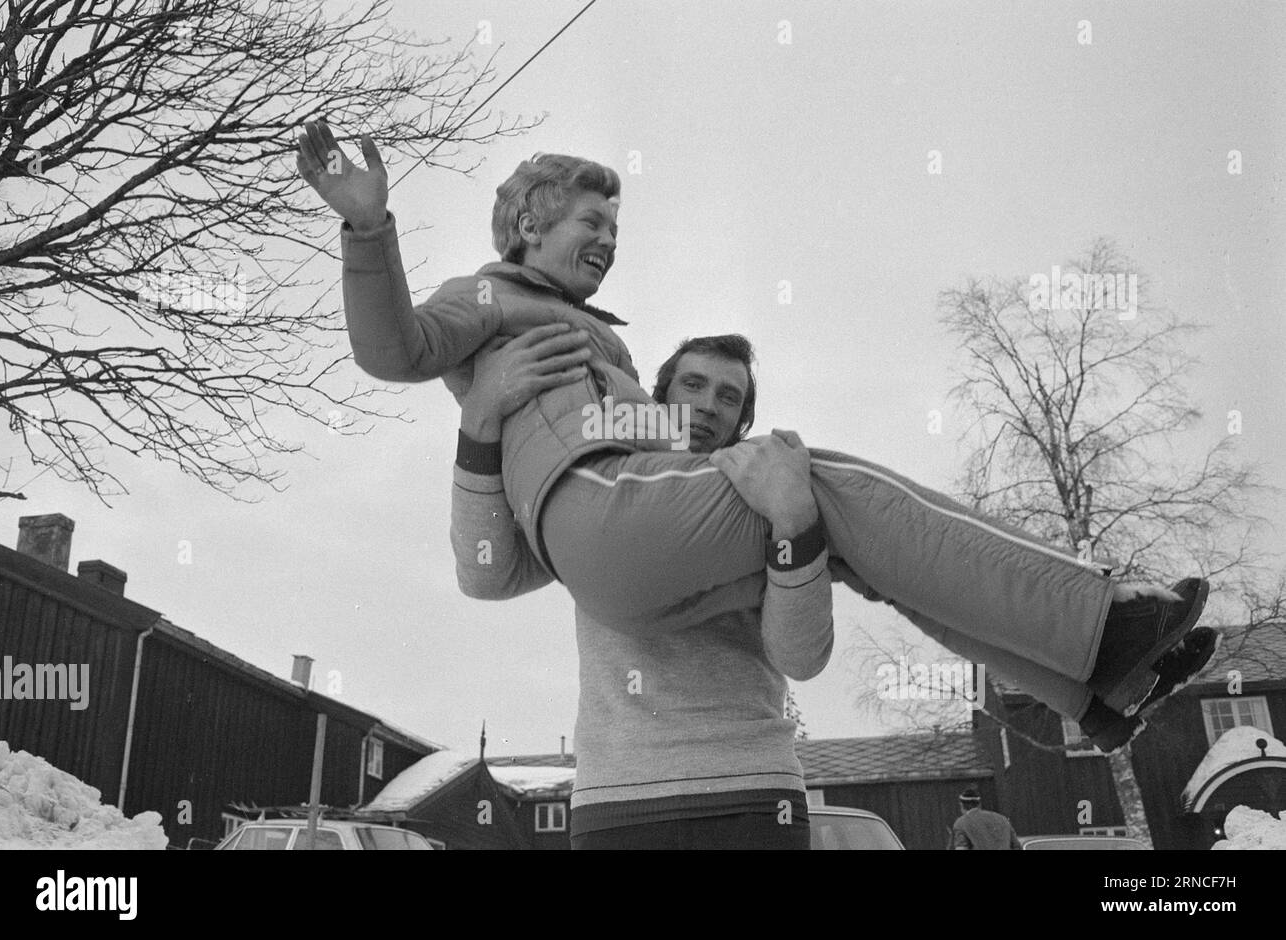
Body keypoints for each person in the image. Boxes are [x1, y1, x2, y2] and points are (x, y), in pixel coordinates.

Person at [295, 123, 1213, 751]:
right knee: (834, 482)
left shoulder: (603, 346)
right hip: (601, 518)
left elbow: (638, 434)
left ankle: (1089, 690)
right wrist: (369, 225)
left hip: (625, 528)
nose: (608, 239)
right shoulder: (490, 296)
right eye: (590, 221)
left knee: (845, 529)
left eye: (616, 227)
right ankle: (1099, 620)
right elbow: (395, 349)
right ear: (529, 221)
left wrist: (731, 450)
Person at [454, 331, 829, 849]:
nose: (706, 406)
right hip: (617, 800)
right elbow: (485, 572)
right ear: (657, 400)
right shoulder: (599, 496)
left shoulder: (767, 495)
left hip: (754, 793)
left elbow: (802, 656)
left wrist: (795, 521)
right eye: (693, 384)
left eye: (728, 396)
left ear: (742, 422)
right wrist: (478, 423)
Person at [951, 787, 1022, 850]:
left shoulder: (961, 823)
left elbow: (962, 848)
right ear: (979, 804)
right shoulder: (1002, 819)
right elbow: (1017, 847)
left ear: (961, 805)